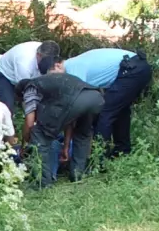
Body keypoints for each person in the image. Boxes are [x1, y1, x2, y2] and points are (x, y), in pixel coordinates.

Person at [19, 57, 105, 188]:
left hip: (76, 100)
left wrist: (25, 144)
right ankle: (77, 175)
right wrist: (65, 147)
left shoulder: (30, 86)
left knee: (39, 134)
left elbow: (30, 123)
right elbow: (69, 122)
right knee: (82, 134)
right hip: (96, 97)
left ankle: (43, 182)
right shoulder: (56, 84)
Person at [64, 48, 153, 157]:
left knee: (105, 113)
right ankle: (122, 152)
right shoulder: (75, 62)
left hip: (131, 69)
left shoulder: (72, 69)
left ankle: (99, 157)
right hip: (138, 67)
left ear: (57, 65)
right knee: (120, 111)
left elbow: (77, 105)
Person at [0, 40, 61, 114]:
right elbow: (26, 92)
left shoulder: (48, 51)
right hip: (5, 75)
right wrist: (31, 113)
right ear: (38, 55)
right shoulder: (24, 63)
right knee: (7, 108)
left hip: (26, 75)